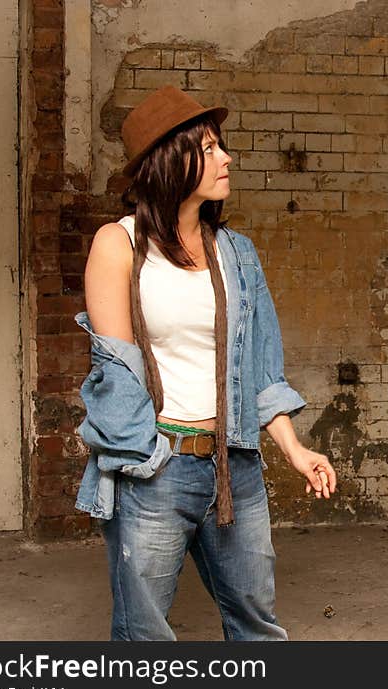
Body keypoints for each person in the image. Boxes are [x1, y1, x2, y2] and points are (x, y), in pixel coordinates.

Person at [74, 85, 336, 641]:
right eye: (210, 148)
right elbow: (115, 371)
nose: (227, 158)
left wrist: (293, 448)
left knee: (256, 624)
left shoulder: (237, 253)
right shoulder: (118, 246)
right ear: (170, 160)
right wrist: (145, 459)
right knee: (144, 634)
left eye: (222, 146)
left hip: (233, 464)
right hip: (156, 467)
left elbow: (262, 366)